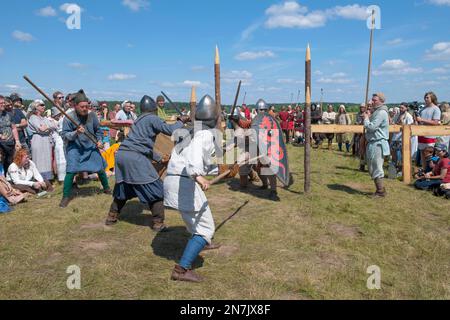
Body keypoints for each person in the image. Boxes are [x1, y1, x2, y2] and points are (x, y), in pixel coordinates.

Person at [164, 94, 228, 282]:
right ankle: (181, 269)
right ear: (214, 118)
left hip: (175, 180)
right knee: (207, 228)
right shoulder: (205, 134)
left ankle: (201, 244)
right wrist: (199, 178)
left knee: (197, 219)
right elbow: (193, 161)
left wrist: (222, 168)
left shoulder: (190, 131)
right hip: (185, 182)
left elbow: (200, 161)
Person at [105, 95, 188, 230]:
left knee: (124, 187)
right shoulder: (152, 118)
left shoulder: (138, 121)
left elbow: (142, 145)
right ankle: (158, 223)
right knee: (155, 189)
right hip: (134, 158)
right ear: (153, 109)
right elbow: (171, 131)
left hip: (122, 155)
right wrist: (181, 121)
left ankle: (111, 216)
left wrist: (159, 158)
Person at [59, 90, 111, 208]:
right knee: (71, 170)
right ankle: (66, 196)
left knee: (100, 167)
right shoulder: (69, 117)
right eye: (82, 107)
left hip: (91, 145)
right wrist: (76, 132)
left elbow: (98, 130)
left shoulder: (92, 115)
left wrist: (99, 141)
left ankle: (107, 188)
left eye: (86, 106)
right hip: (75, 147)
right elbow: (64, 135)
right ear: (75, 106)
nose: (84, 109)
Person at [364, 93, 390, 197]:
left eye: (374, 100)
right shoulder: (377, 112)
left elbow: (371, 127)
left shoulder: (381, 113)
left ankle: (380, 191)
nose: (372, 101)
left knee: (376, 167)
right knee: (372, 167)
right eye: (372, 99)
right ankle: (380, 190)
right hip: (373, 142)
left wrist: (366, 118)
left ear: (381, 101)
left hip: (378, 143)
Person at [254, 99, 280, 201]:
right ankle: (265, 184)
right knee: (258, 167)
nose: (260, 112)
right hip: (258, 148)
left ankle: (273, 190)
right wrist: (237, 119)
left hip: (269, 149)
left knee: (270, 170)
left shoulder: (272, 121)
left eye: (262, 110)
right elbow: (248, 126)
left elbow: (275, 136)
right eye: (259, 110)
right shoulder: (255, 120)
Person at [27, 100, 58, 181]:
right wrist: (49, 127)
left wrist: (47, 127)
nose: (43, 106)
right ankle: (40, 180)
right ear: (35, 107)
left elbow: (55, 125)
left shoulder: (44, 118)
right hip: (38, 140)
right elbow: (41, 129)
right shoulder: (33, 117)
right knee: (39, 160)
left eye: (44, 105)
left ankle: (48, 179)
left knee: (47, 159)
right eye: (41, 105)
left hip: (46, 140)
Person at [416, 92, 442, 170]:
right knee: (422, 154)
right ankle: (424, 172)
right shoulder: (423, 109)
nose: (425, 99)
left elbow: (435, 122)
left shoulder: (436, 109)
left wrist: (422, 119)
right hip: (421, 134)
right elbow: (420, 121)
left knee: (429, 155)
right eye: (425, 97)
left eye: (428, 97)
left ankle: (432, 172)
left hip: (430, 135)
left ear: (432, 98)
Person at [0, 95, 22, 172]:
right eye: (1, 103)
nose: (3, 104)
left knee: (9, 163)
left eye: (3, 103)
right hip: (1, 145)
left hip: (9, 144)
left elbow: (13, 128)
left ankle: (8, 181)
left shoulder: (8, 114)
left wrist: (17, 141)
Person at [391, 103, 414, 170]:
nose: (401, 109)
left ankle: (402, 169)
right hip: (395, 137)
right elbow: (393, 123)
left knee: (402, 155)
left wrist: (401, 121)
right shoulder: (397, 115)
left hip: (402, 138)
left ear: (406, 108)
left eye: (402, 108)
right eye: (400, 107)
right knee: (394, 153)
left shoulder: (408, 116)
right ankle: (394, 168)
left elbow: (409, 127)